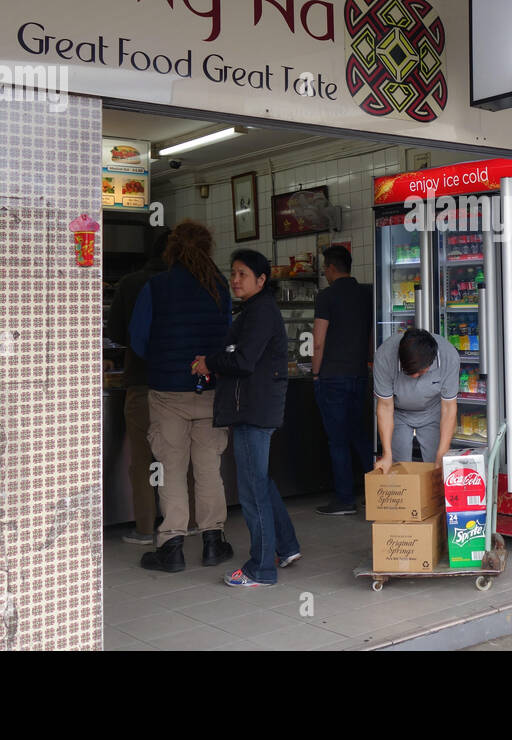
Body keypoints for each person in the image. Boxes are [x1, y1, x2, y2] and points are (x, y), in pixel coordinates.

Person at [129, 220, 233, 572]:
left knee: (170, 469)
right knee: (208, 468)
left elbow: (139, 340)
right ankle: (213, 542)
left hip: (168, 392)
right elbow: (227, 337)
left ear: (171, 248)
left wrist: (164, 359)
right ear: (207, 249)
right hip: (210, 390)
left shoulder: (155, 286)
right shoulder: (220, 286)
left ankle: (172, 546)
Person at [194, 249, 301, 588]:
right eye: (233, 273)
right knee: (260, 481)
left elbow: (243, 360)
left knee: (253, 490)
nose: (235, 280)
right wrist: (217, 358)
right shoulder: (255, 310)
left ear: (261, 280)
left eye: (242, 274)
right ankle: (286, 546)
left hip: (253, 410)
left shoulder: (260, 313)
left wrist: (210, 363)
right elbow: (239, 356)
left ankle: (261, 568)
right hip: (253, 407)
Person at [105, 229, 169, 544]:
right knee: (179, 458)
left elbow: (116, 332)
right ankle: (188, 523)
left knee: (142, 458)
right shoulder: (190, 285)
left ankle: (145, 529)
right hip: (183, 385)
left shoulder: (130, 283)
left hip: (141, 380)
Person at [311, 245, 374, 515]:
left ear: (331, 268)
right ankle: (378, 495)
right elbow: (372, 332)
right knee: (361, 436)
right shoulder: (366, 293)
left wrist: (315, 373)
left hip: (332, 377)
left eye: (325, 268)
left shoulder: (326, 296)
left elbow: (318, 341)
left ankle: (345, 499)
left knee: (337, 440)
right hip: (360, 374)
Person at [372, 327, 461, 471]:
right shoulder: (384, 357)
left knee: (437, 465)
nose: (413, 377)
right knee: (397, 467)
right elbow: (385, 407)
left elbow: (449, 407)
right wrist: (386, 454)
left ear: (431, 361)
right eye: (409, 372)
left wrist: (442, 452)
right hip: (398, 412)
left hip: (434, 410)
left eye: (419, 373)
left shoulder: (448, 356)